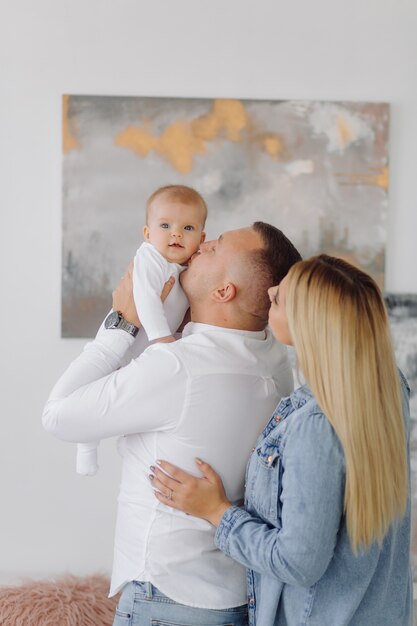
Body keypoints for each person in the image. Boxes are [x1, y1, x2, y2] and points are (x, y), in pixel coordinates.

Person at [42, 222, 302, 626]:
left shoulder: (180, 367)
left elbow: (58, 415)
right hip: (233, 597)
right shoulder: (274, 361)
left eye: (213, 248)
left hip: (164, 599)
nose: (198, 245)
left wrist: (122, 321)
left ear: (223, 291)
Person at [151, 254, 412, 626]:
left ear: (309, 328)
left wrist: (216, 511)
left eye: (278, 300)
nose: (271, 289)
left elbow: (297, 562)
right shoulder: (387, 389)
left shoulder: (317, 426)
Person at [76, 184, 207, 476]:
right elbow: (146, 299)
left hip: (148, 349)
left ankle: (117, 441)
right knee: (92, 390)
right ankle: (85, 445)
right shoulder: (150, 258)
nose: (176, 234)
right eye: (165, 225)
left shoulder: (187, 267)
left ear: (201, 237)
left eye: (187, 227)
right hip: (126, 337)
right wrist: (163, 338)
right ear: (148, 234)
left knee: (121, 399)